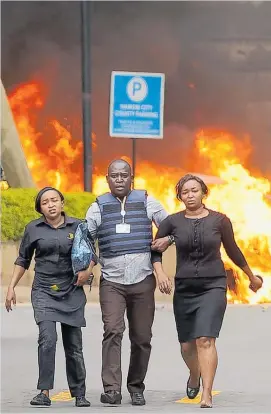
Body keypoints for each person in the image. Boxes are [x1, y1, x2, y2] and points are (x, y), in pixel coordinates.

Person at [152, 174, 263, 408]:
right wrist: (160, 273)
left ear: (204, 193)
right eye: (185, 192)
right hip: (184, 288)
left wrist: (251, 276)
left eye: (195, 190)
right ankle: (194, 374)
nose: (190, 195)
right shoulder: (172, 222)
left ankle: (207, 394)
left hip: (213, 285)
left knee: (205, 339)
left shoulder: (220, 220)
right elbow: (155, 250)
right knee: (186, 345)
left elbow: (233, 251)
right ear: (180, 196)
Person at [83, 159, 172, 406]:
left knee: (142, 337)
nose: (119, 179)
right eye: (114, 175)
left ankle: (136, 387)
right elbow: (86, 242)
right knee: (112, 331)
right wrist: (86, 266)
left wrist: (167, 241)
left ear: (132, 177)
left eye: (124, 175)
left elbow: (170, 227)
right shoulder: (97, 207)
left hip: (143, 281)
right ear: (107, 178)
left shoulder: (147, 202)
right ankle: (111, 389)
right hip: (112, 282)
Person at [5, 187, 92, 408]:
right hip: (44, 290)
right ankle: (44, 392)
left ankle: (79, 393)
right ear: (40, 208)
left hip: (71, 289)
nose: (51, 205)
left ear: (62, 203)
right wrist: (11, 287)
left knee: (74, 344)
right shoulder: (33, 229)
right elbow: (23, 259)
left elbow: (91, 254)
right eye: (45, 202)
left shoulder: (78, 226)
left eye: (55, 200)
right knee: (47, 340)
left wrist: (87, 271)